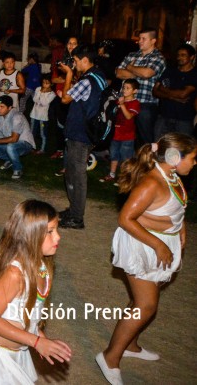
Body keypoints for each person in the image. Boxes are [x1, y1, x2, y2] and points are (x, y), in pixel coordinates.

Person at [96, 133, 195, 385]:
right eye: (192, 158)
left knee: (140, 300)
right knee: (147, 305)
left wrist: (179, 231)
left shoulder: (172, 177)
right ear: (174, 158)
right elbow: (125, 218)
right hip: (142, 245)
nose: (195, 163)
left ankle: (130, 344)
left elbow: (177, 208)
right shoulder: (152, 183)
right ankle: (110, 357)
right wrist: (159, 243)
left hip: (158, 244)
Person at [0, 200, 72, 384]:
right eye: (50, 232)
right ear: (29, 236)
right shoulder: (14, 274)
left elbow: (25, 313)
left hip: (17, 353)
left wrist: (41, 338)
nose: (58, 237)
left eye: (57, 230)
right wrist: (36, 342)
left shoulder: (41, 267)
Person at [58, 45, 106, 230]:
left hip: (80, 134)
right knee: (71, 173)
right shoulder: (98, 76)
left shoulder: (87, 81)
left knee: (77, 176)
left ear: (85, 60)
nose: (75, 64)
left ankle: (77, 217)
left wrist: (69, 74)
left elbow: (65, 98)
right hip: (86, 132)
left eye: (76, 61)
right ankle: (73, 210)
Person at [115, 29, 166, 146]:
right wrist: (139, 72)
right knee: (123, 134)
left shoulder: (158, 58)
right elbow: (118, 73)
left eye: (144, 39)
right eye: (140, 38)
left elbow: (147, 73)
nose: (140, 41)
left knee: (145, 137)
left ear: (153, 41)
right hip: (126, 102)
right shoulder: (132, 55)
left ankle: (148, 159)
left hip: (145, 103)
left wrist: (129, 67)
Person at [0, 96, 36, 180]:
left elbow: (14, 139)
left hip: (25, 144)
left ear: (10, 108)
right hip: (10, 143)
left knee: (10, 147)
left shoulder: (17, 116)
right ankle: (11, 159)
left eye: (2, 107)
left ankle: (18, 169)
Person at [152, 43, 197, 138]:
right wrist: (172, 97)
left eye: (183, 55)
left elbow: (183, 95)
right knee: (159, 147)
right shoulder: (170, 71)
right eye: (178, 55)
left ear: (192, 57)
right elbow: (155, 91)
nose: (179, 58)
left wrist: (163, 89)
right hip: (164, 115)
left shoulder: (194, 74)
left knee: (182, 149)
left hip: (183, 119)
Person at [100, 79, 140, 184]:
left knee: (126, 158)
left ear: (135, 91)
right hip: (115, 134)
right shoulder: (118, 100)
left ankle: (124, 178)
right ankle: (112, 174)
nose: (124, 90)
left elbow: (128, 117)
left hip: (127, 136)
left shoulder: (135, 103)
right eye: (123, 88)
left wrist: (122, 105)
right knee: (114, 155)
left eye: (128, 88)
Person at [30, 77, 56, 154]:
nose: (44, 85)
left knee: (42, 133)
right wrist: (40, 92)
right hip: (34, 114)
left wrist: (43, 93)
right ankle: (32, 147)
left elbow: (44, 103)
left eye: (47, 83)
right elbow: (34, 99)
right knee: (32, 132)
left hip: (43, 117)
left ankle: (42, 149)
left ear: (51, 84)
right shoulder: (38, 89)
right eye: (43, 82)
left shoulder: (52, 94)